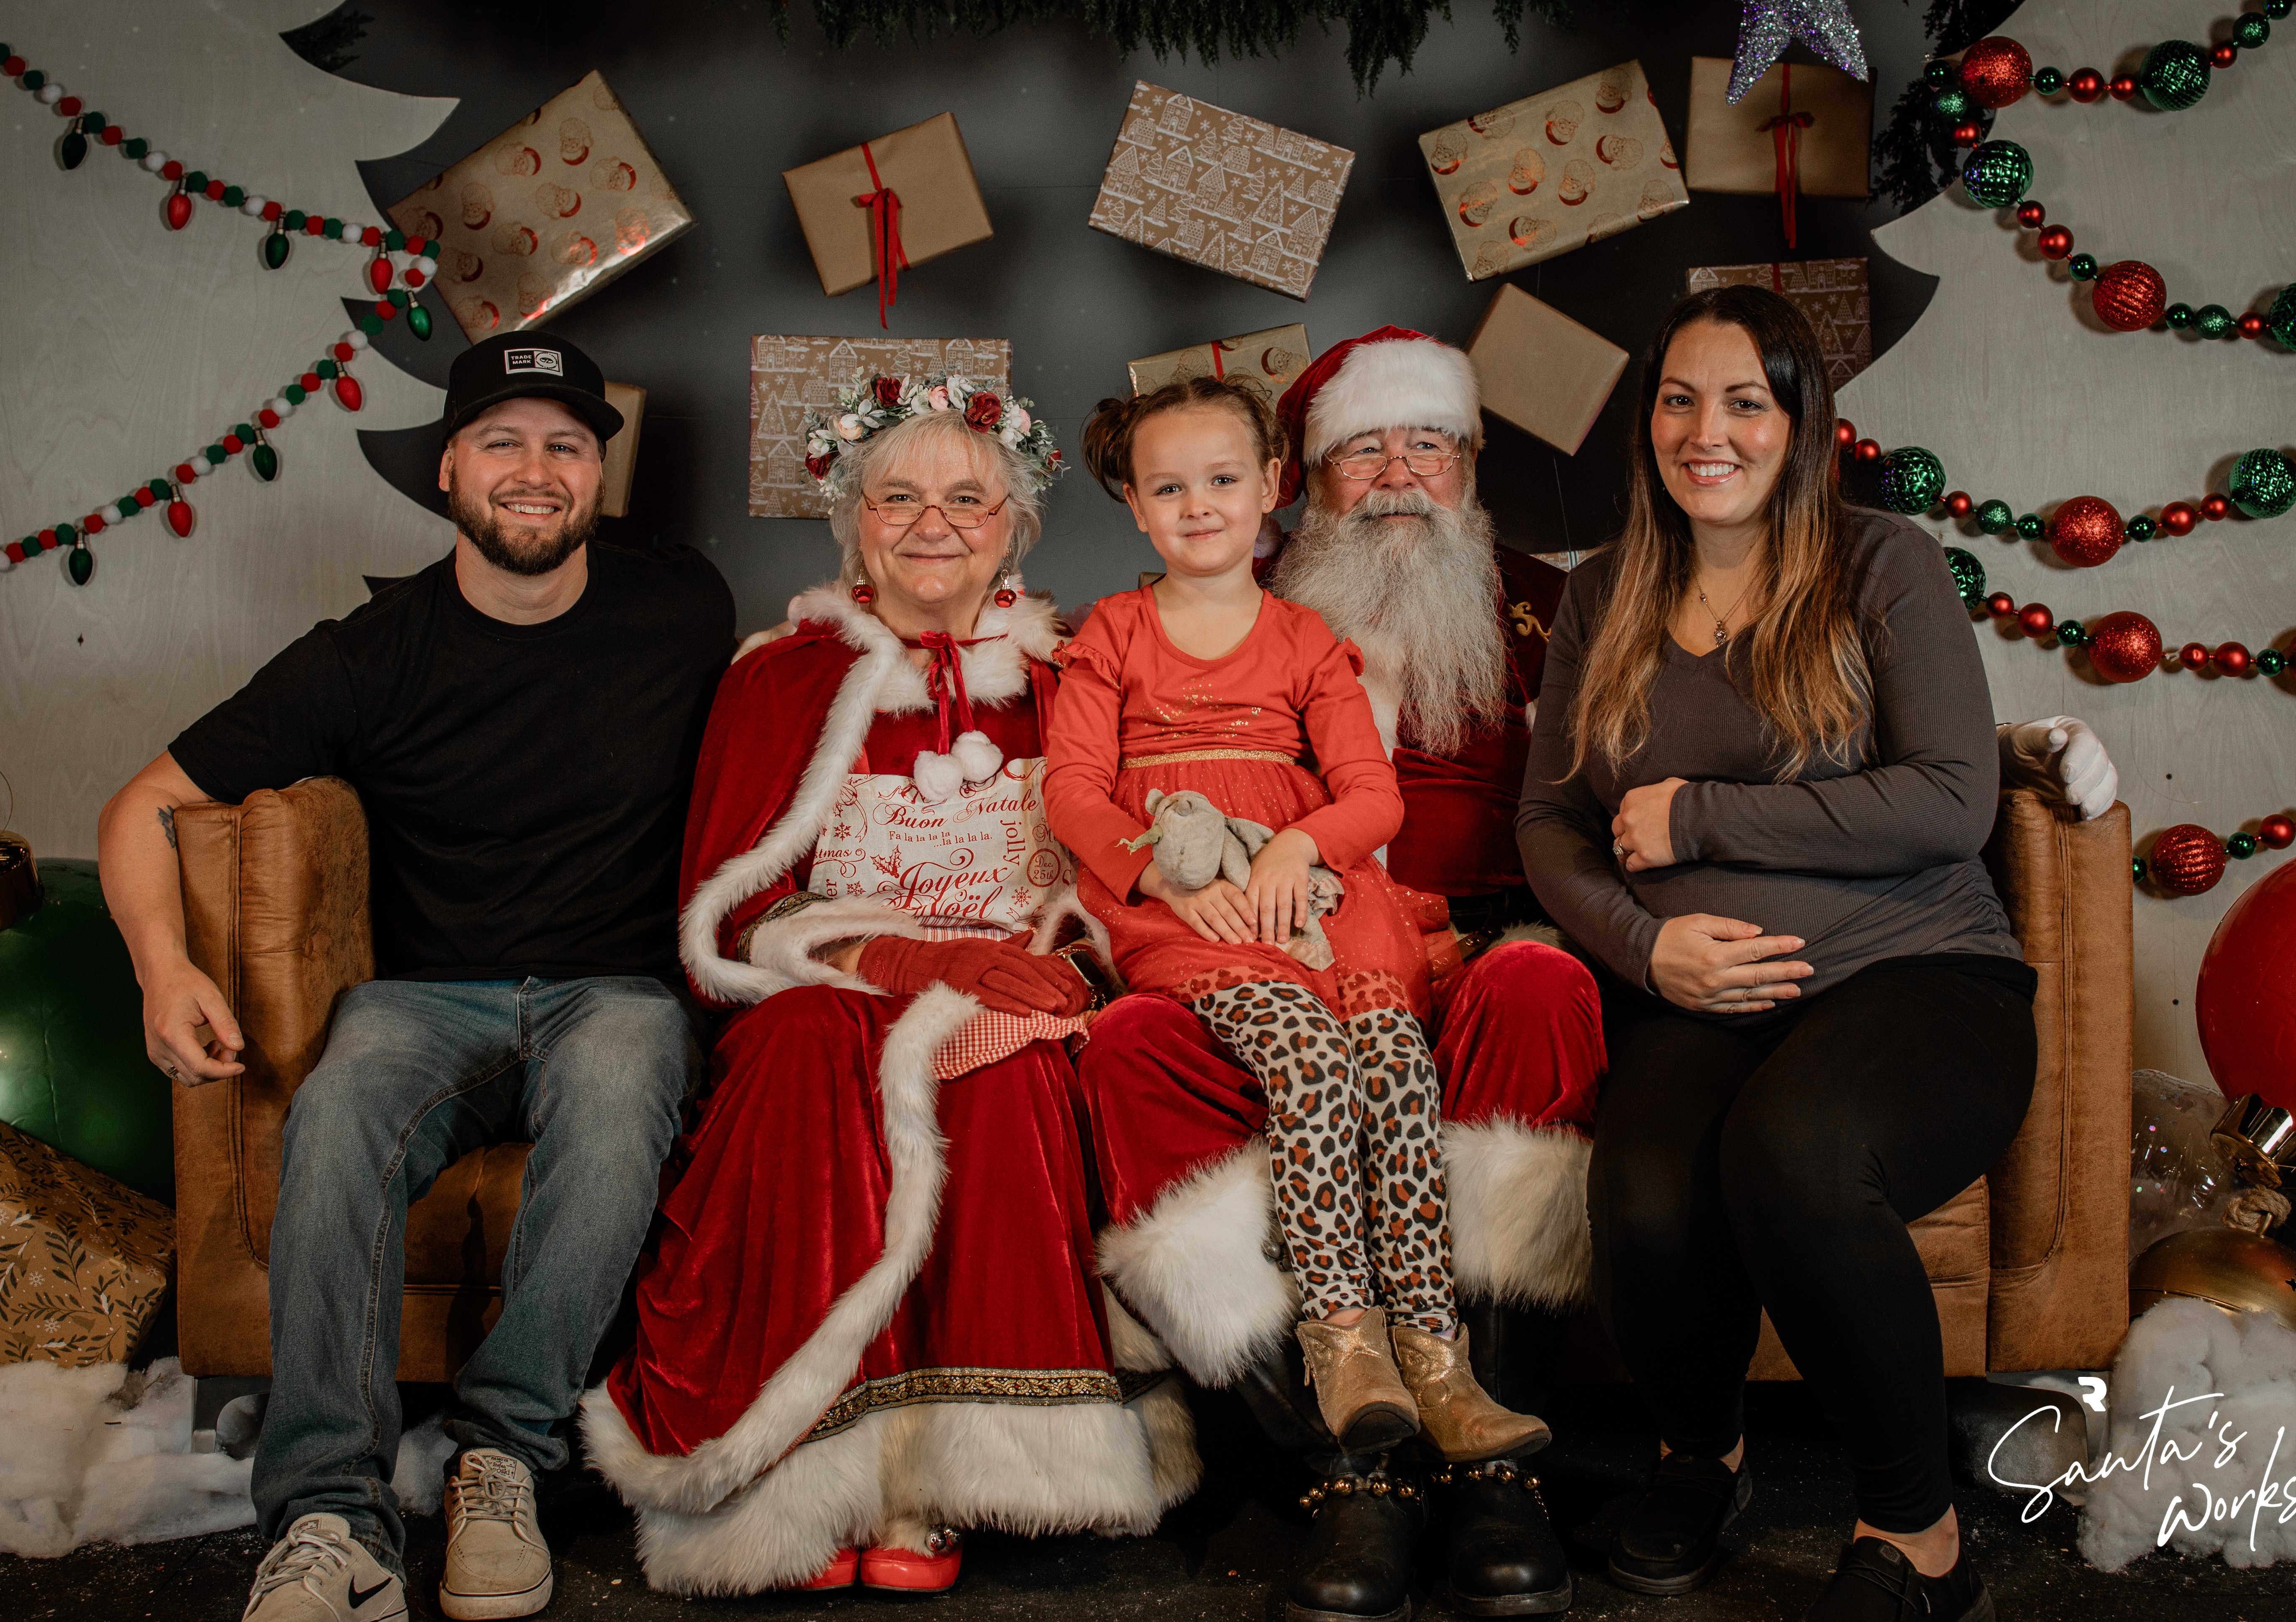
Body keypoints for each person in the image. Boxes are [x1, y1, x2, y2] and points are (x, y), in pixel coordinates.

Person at [94, 331, 734, 1622]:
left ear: (598, 474)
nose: (535, 470)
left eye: (565, 445)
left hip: (613, 990)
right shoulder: (367, 654)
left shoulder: (683, 608)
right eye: (502, 441)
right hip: (425, 998)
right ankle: (330, 1511)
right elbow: (143, 804)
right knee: (336, 1107)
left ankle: (503, 1452)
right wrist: (163, 968)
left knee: (625, 1078)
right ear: (448, 466)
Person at [582, 377, 1198, 1597]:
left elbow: (1127, 875)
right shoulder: (780, 677)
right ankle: (803, 1480)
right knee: (808, 1044)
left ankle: (942, 1482)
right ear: (854, 521)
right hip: (834, 993)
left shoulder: (1077, 674)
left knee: (1012, 1073)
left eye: (968, 500)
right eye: (898, 497)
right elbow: (728, 910)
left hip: (1021, 990)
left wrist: (1056, 963)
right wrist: (897, 960)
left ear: (1015, 525)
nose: (933, 525)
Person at [1517, 284, 2037, 1622]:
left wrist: (1701, 815)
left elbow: (1952, 799)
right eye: (1680, 400)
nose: (1710, 432)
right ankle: (1704, 1457)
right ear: (1647, 423)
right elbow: (1550, 822)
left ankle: (1918, 1533)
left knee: (1794, 1153)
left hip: (1918, 977)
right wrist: (1647, 950)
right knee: (1643, 1194)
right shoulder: (1603, 594)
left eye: (1746, 401)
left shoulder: (1883, 562)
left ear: (1802, 423)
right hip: (1698, 995)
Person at [1046, 374, 1547, 1480]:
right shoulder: (1114, 633)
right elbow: (1073, 791)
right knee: (1311, 1057)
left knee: (1394, 1065)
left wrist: (1296, 848)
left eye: (1223, 479)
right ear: (1134, 504)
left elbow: (1373, 796)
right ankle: (1345, 1343)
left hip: (1317, 899)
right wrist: (1160, 876)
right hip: (1193, 905)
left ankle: (1439, 1357)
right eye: (1169, 488)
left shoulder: (1305, 636)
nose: (1199, 506)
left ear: (1272, 484)